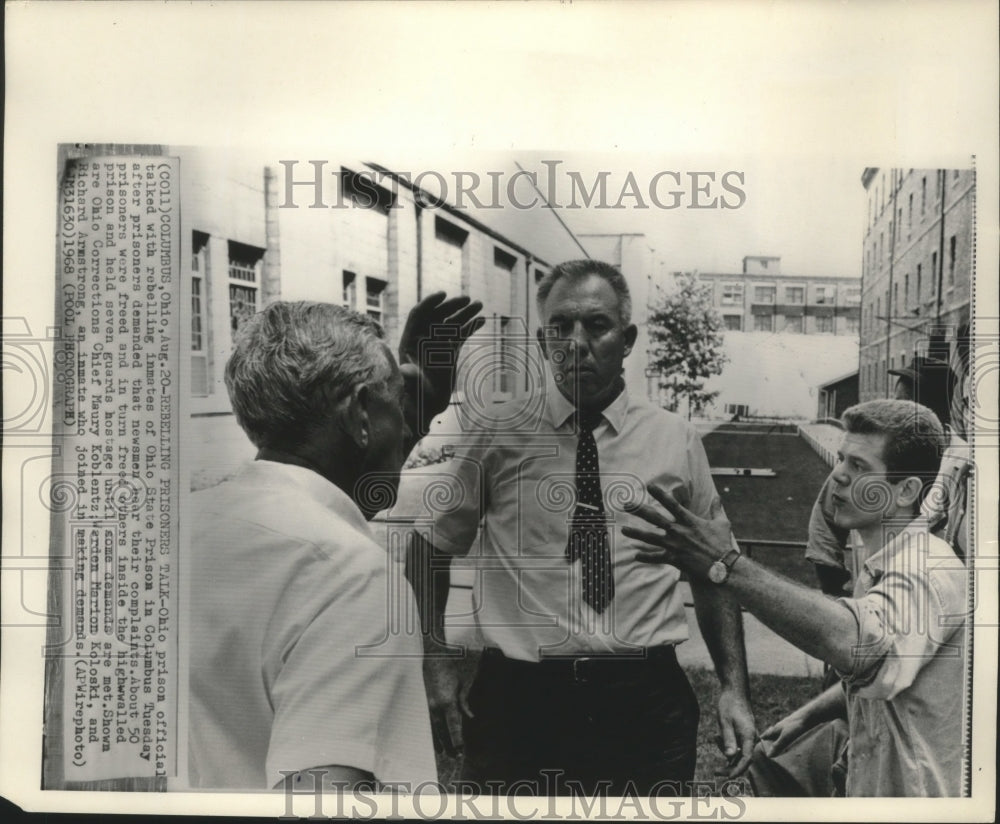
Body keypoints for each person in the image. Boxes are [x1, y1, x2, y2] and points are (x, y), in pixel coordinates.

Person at [412, 260, 755, 796]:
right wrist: (435, 660)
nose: (576, 343)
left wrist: (734, 687)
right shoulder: (498, 433)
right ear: (543, 340)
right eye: (560, 327)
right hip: (519, 705)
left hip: (644, 704)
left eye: (597, 325)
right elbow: (428, 547)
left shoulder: (675, 440)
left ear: (627, 339)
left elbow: (715, 571)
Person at [188, 294, 483, 790]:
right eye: (399, 405)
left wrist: (409, 397)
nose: (410, 429)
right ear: (361, 412)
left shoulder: (184, 530)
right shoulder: (352, 576)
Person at [625, 399, 967, 796]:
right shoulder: (885, 562)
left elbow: (865, 650)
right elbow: (871, 674)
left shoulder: (927, 569)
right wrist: (805, 717)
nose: (837, 475)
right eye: (841, 459)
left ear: (906, 490)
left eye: (859, 466)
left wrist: (725, 564)